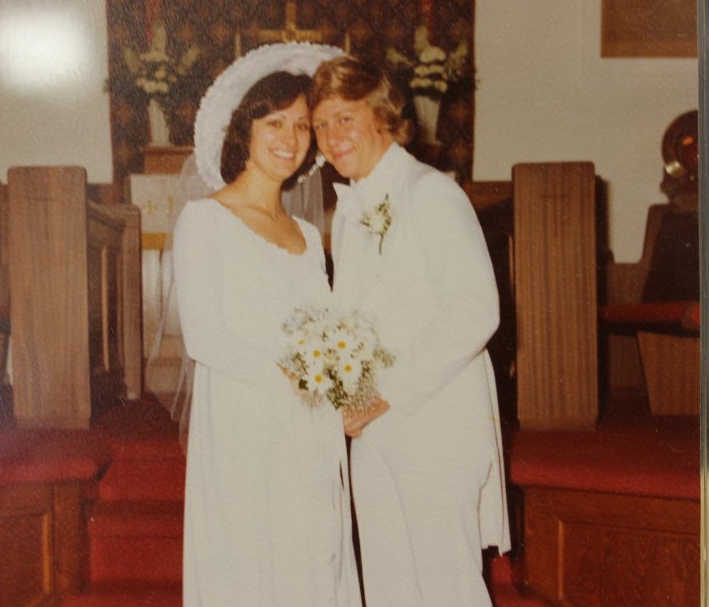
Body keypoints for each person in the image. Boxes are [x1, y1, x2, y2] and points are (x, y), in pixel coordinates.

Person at [310, 55, 511, 606]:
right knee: (390, 585)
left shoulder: (429, 192)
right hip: (376, 429)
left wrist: (384, 391)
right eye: (321, 125)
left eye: (344, 118)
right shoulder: (350, 209)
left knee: (447, 587)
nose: (331, 137)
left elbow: (475, 309)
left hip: (433, 422)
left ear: (382, 116)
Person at [172, 44, 361, 606]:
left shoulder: (306, 235)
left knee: (311, 556)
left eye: (302, 126)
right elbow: (205, 337)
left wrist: (343, 390)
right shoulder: (206, 220)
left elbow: (327, 331)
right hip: (246, 420)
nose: (290, 137)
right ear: (245, 129)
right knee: (254, 563)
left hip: (309, 426)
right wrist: (300, 382)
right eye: (274, 122)